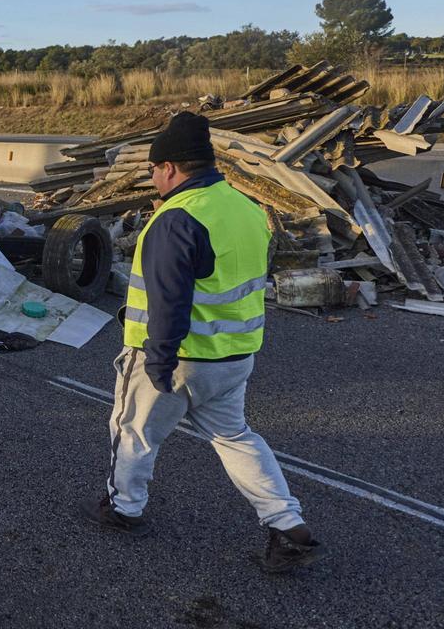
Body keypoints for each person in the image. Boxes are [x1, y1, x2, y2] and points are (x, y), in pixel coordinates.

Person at [82, 111, 325, 574]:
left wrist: (158, 361)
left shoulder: (176, 218)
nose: (152, 178)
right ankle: (287, 524)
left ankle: (123, 510)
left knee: (133, 432)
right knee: (234, 437)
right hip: (234, 357)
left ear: (170, 167)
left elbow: (168, 302)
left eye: (153, 169)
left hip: (177, 359)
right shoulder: (245, 208)